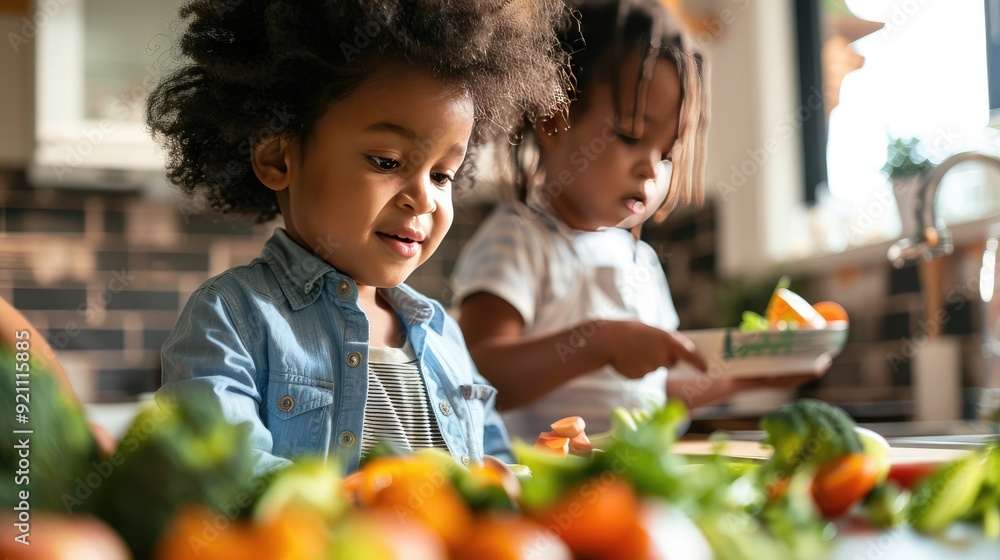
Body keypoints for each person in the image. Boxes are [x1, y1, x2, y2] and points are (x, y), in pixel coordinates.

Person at [148, 0, 572, 476]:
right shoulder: (232, 318)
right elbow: (219, 473)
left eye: (442, 175)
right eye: (388, 162)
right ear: (277, 158)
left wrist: (540, 471)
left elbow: (493, 469)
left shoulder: (442, 334)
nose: (424, 199)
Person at [453, 0, 821, 440]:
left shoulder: (640, 262)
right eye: (630, 136)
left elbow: (653, 392)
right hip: (544, 486)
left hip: (632, 483)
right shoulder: (517, 240)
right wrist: (598, 343)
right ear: (553, 122)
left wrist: (744, 380)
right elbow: (476, 377)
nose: (652, 169)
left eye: (666, 154)